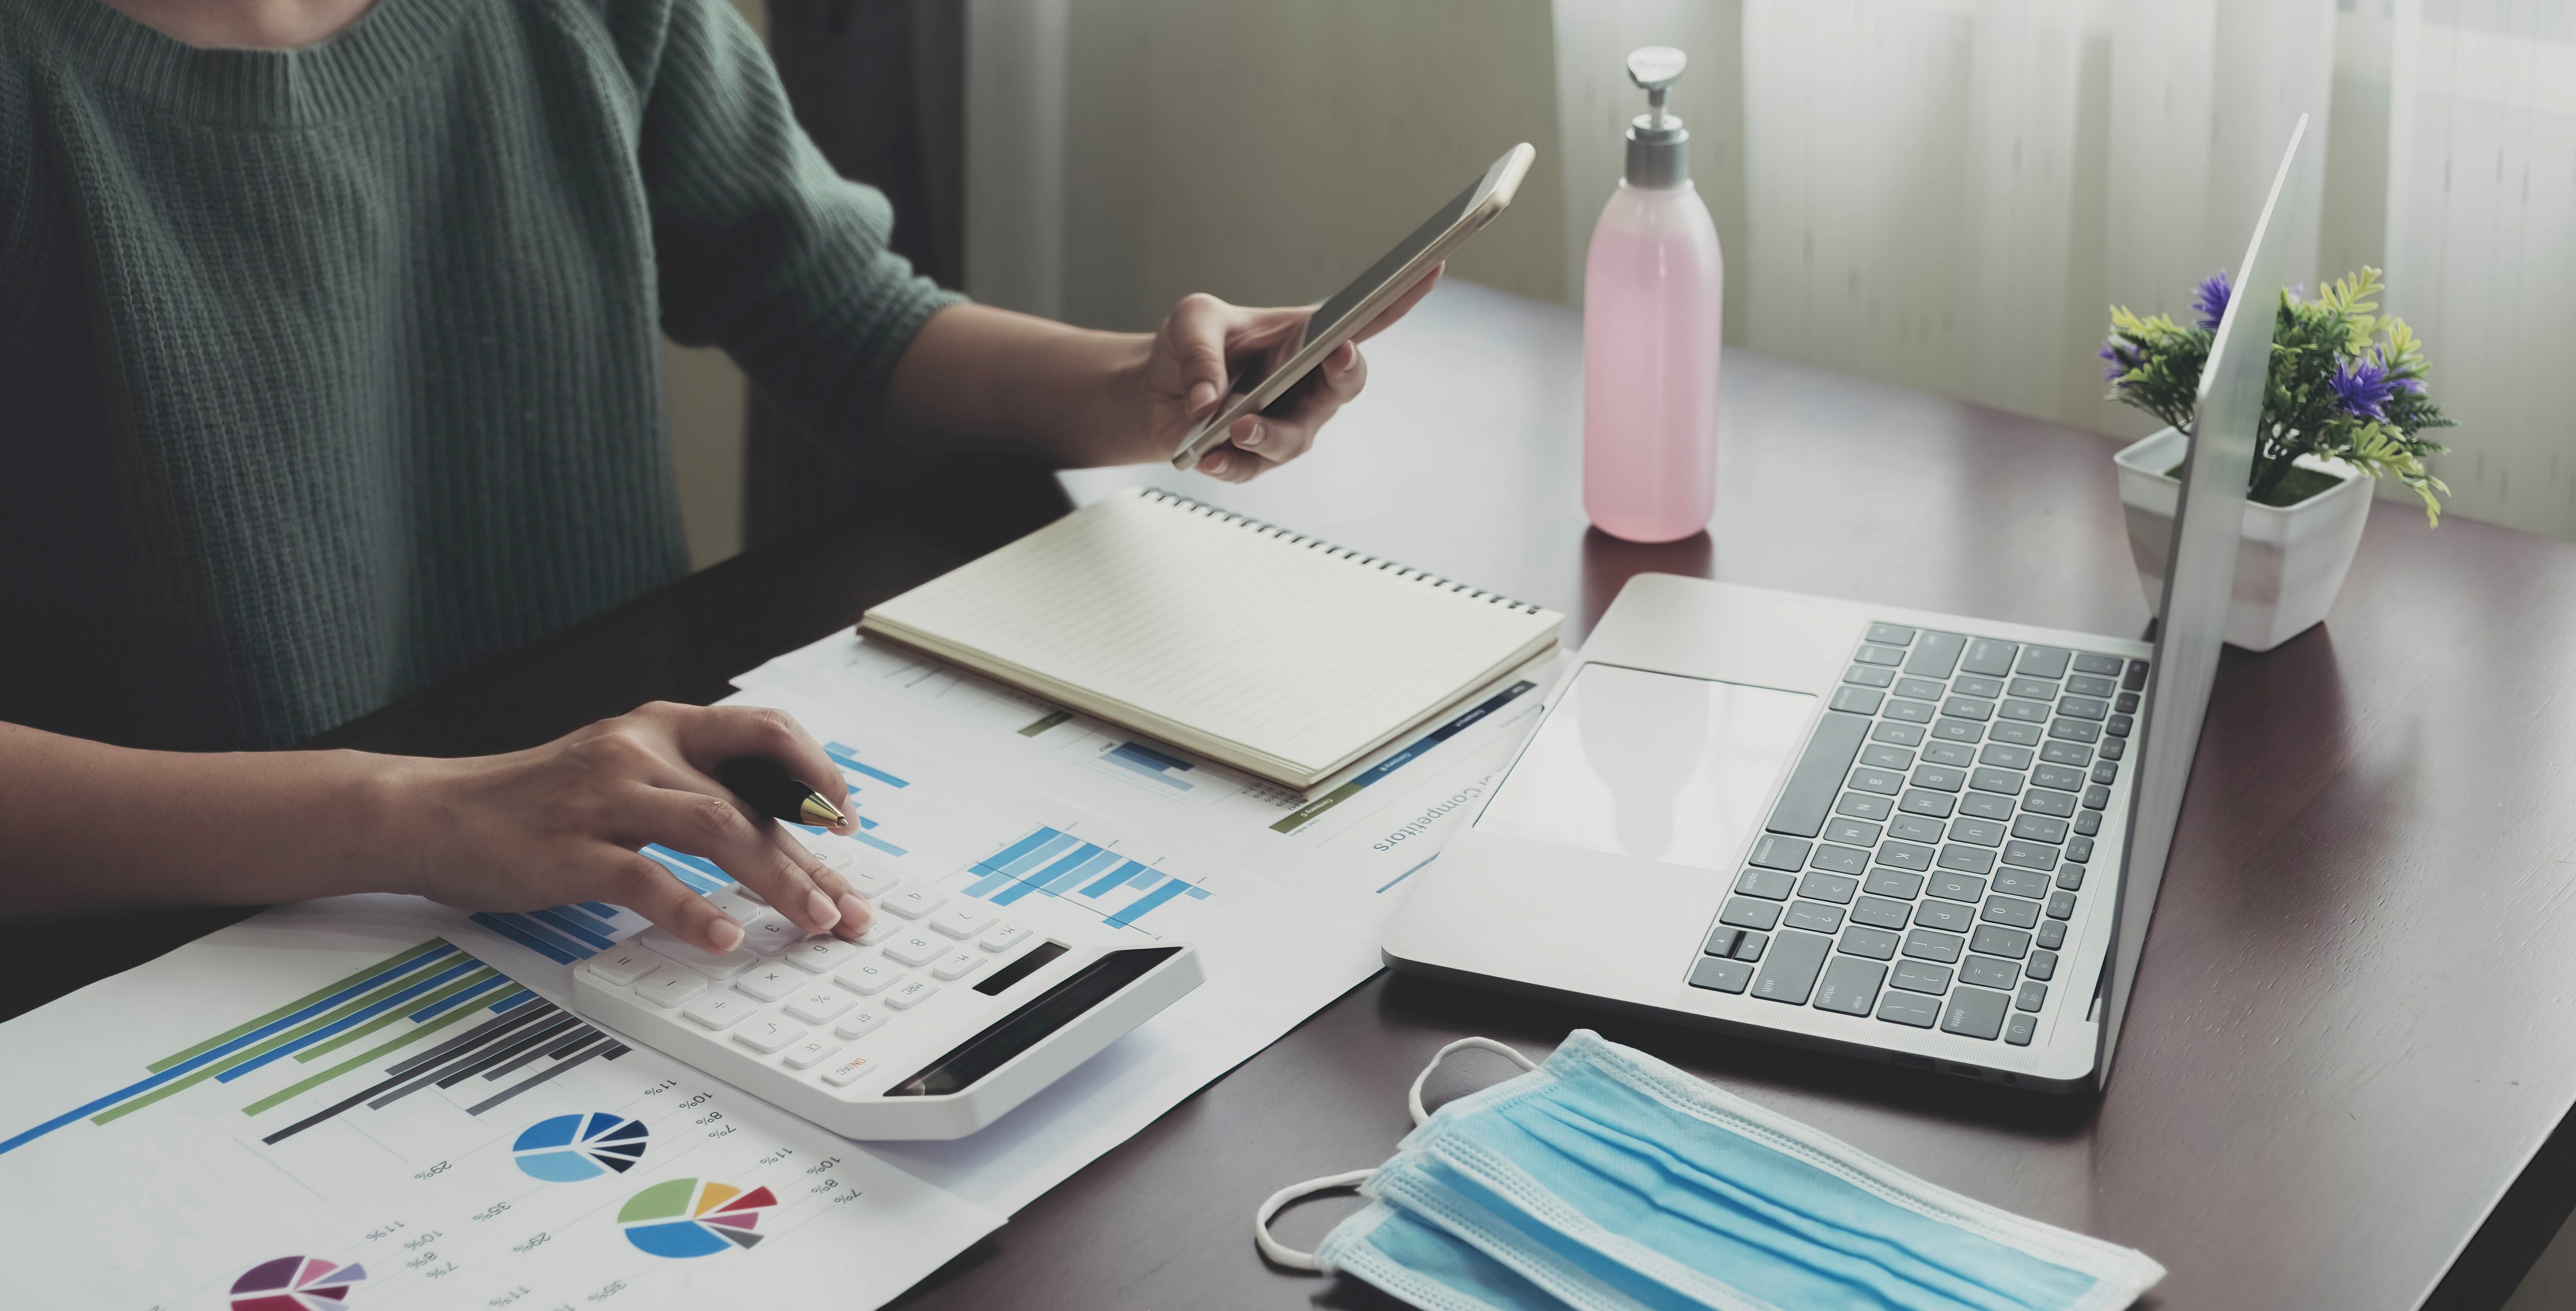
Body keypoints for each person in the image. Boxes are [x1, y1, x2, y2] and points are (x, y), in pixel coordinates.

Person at [0, 0, 1436, 952]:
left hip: (616, 843)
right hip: (184, 929)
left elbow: (845, 316)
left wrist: (1151, 390)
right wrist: (415, 814)